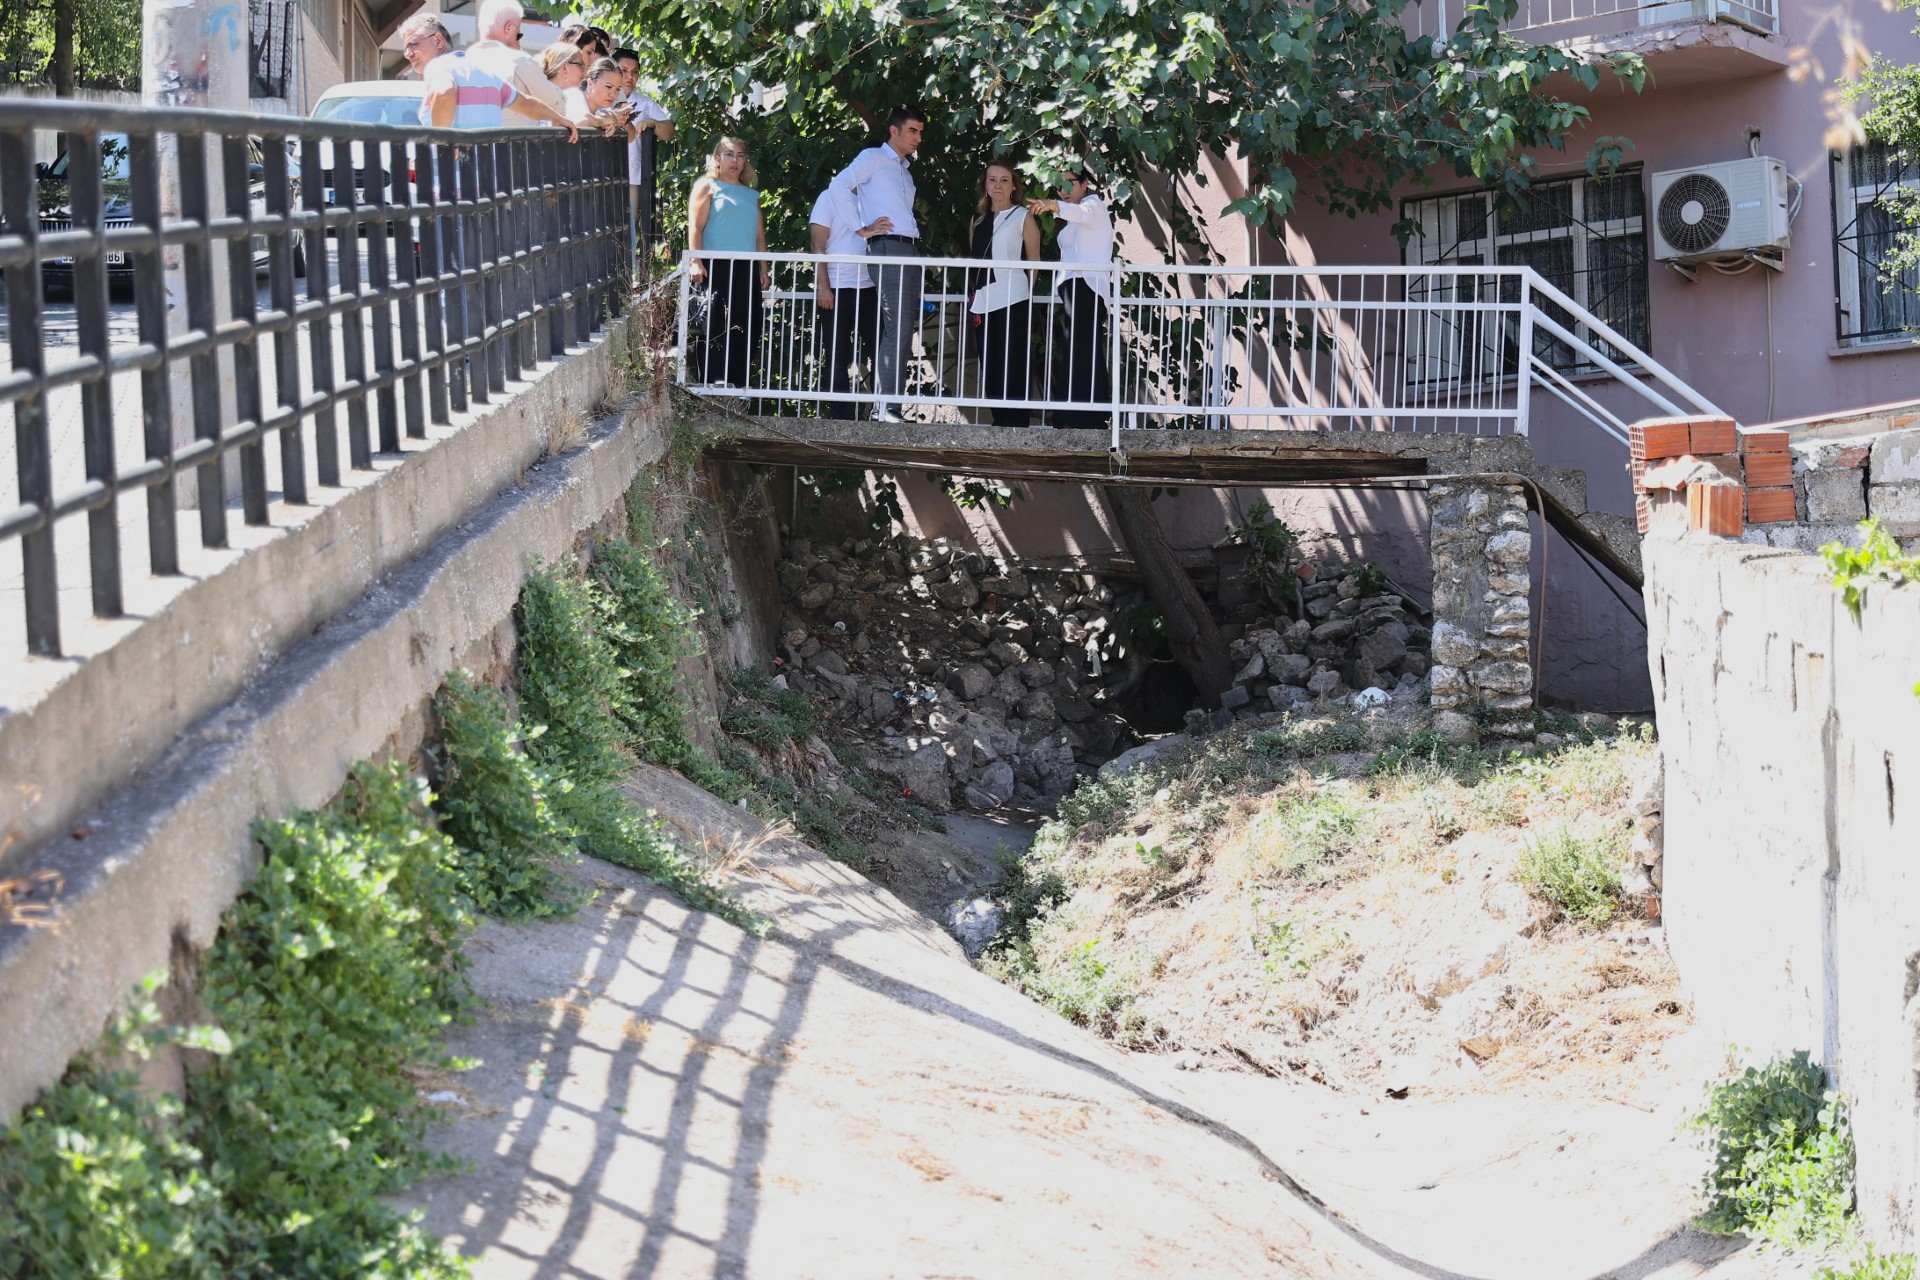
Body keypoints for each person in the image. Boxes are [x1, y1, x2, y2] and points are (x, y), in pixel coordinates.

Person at [826, 105, 926, 423]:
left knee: (903, 327)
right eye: (912, 130)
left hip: (908, 249)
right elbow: (838, 186)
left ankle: (888, 407)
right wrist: (861, 228)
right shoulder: (873, 158)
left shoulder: (905, 171)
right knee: (896, 327)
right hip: (888, 248)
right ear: (894, 130)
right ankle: (885, 408)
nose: (918, 138)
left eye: (921, 132)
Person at [1029, 167, 1115, 429]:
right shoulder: (1075, 217)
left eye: (1069, 184)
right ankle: (1076, 415)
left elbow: (1080, 213)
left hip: (1085, 285)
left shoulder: (1093, 205)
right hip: (1074, 287)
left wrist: (1053, 205)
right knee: (1077, 347)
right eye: (1058, 186)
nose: (1063, 191)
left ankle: (1088, 416)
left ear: (1084, 184)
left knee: (1082, 347)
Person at [687, 137, 769, 388]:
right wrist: (696, 261)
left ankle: (738, 383)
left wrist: (763, 269)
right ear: (718, 158)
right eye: (729, 154)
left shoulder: (751, 195)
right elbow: (695, 226)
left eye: (740, 155)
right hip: (715, 266)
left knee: (747, 324)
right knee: (715, 322)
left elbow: (759, 236)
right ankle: (711, 382)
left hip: (746, 268)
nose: (735, 160)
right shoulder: (707, 186)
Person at [966, 160, 1041, 428]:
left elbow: (1034, 260)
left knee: (1013, 358)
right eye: (992, 180)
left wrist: (1026, 292)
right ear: (985, 185)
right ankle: (1000, 418)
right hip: (984, 300)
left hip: (1014, 297)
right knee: (990, 361)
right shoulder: (977, 221)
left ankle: (1016, 420)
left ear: (1013, 187)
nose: (998, 185)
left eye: (1004, 180)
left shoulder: (1023, 216)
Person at [810, 185, 886, 419]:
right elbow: (817, 246)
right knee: (836, 355)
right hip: (836, 287)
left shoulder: (874, 197)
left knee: (881, 353)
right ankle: (840, 420)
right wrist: (823, 286)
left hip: (870, 288)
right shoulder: (828, 197)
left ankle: (882, 413)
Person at [466, 0, 579, 136]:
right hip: (513, 146)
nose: (518, 40)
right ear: (509, 28)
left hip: (470, 146)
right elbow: (557, 104)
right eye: (518, 34)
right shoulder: (519, 61)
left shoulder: (463, 61)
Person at [612, 48, 675, 277]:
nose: (629, 77)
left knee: (629, 228)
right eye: (623, 70)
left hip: (632, 177)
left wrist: (651, 123)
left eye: (635, 72)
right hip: (603, 175)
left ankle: (628, 279)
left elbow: (669, 132)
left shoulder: (644, 103)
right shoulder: (601, 97)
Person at [563, 57, 630, 130]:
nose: (613, 94)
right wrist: (603, 120)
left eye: (618, 89)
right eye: (608, 87)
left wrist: (612, 121)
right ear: (590, 84)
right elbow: (578, 122)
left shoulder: (601, 112)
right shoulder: (574, 95)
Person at [397, 13, 452, 81]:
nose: (407, 55)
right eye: (406, 50)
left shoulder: (450, 70)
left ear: (438, 41)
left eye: (414, 44)